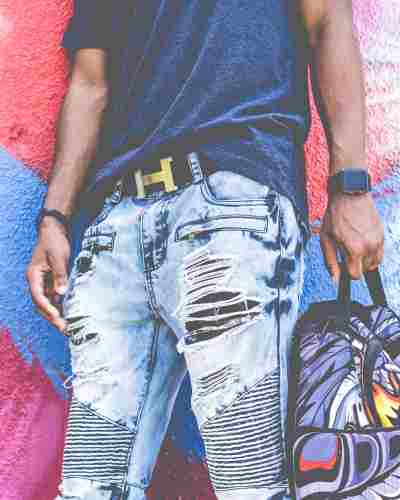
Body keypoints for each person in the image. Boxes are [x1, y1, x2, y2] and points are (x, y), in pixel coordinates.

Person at [26, 1, 384, 499]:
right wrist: (55, 217)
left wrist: (350, 187)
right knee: (88, 491)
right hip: (116, 225)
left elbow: (327, 18)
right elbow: (90, 84)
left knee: (250, 486)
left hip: (230, 204)